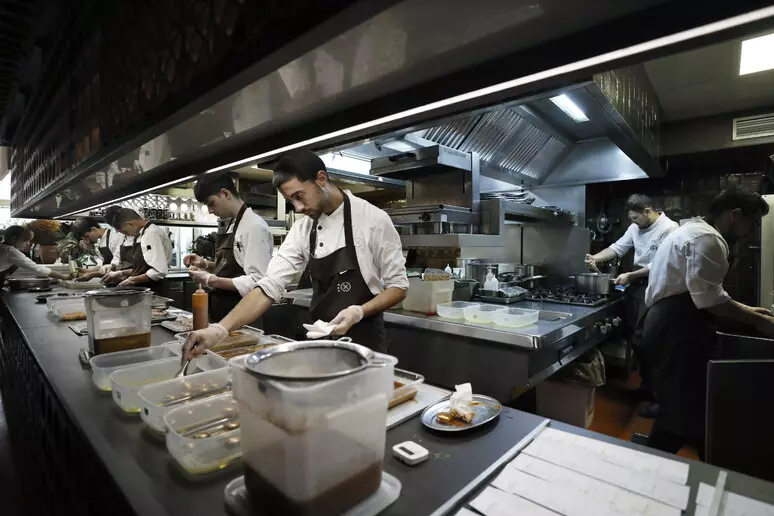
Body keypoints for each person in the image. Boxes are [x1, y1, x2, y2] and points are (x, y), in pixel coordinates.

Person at [182, 149, 408, 359]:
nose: (298, 208)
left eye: (299, 196)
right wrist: (219, 330)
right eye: (291, 201)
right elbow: (269, 285)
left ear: (321, 179)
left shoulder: (373, 220)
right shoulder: (303, 229)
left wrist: (358, 311)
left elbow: (398, 286)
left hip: (365, 344)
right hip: (322, 342)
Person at [641, 187, 774, 459]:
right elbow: (709, 300)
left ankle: (699, 461)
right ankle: (651, 465)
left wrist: (750, 310)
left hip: (669, 323)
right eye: (751, 223)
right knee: (682, 412)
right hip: (677, 328)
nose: (750, 231)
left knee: (685, 406)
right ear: (735, 215)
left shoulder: (693, 230)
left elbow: (704, 291)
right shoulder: (708, 239)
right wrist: (759, 321)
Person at [585, 194, 678, 417]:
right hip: (638, 287)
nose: (633, 222)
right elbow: (618, 247)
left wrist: (630, 275)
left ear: (647, 211)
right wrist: (595, 257)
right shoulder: (636, 227)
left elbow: (659, 265)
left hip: (658, 286)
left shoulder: (670, 229)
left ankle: (660, 397)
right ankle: (647, 387)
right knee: (637, 338)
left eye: (635, 217)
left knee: (654, 340)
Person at [184, 174, 274, 321]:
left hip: (243, 315)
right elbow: (231, 269)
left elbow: (257, 282)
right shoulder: (231, 224)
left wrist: (210, 280)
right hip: (222, 310)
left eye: (211, 203)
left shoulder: (254, 227)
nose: (210, 210)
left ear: (225, 193)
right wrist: (205, 264)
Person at [102, 208, 172, 292]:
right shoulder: (142, 234)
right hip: (144, 288)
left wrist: (132, 280)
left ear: (130, 224)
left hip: (153, 289)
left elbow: (159, 271)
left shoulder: (151, 233)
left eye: (125, 232)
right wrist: (121, 273)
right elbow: (143, 269)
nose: (127, 235)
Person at [0, 226, 70, 282]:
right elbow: (36, 268)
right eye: (25, 240)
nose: (28, 243)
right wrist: (62, 276)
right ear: (14, 239)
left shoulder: (3, 247)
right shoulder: (10, 251)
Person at [71, 216, 124, 281]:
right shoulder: (99, 241)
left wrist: (92, 274)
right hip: (110, 278)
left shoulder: (114, 238)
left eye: (87, 236)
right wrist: (87, 271)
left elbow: (117, 265)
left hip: (119, 278)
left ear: (93, 229)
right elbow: (103, 266)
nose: (87, 240)